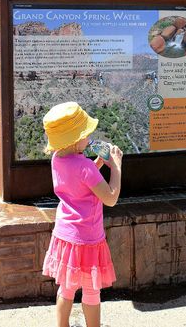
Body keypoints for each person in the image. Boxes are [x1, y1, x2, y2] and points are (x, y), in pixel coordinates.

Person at [41, 101, 123, 327]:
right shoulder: (85, 168)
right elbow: (111, 198)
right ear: (75, 139)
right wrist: (115, 167)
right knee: (91, 290)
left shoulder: (57, 159)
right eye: (86, 134)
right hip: (88, 239)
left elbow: (78, 181)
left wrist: (97, 163)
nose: (89, 138)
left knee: (66, 288)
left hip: (65, 236)